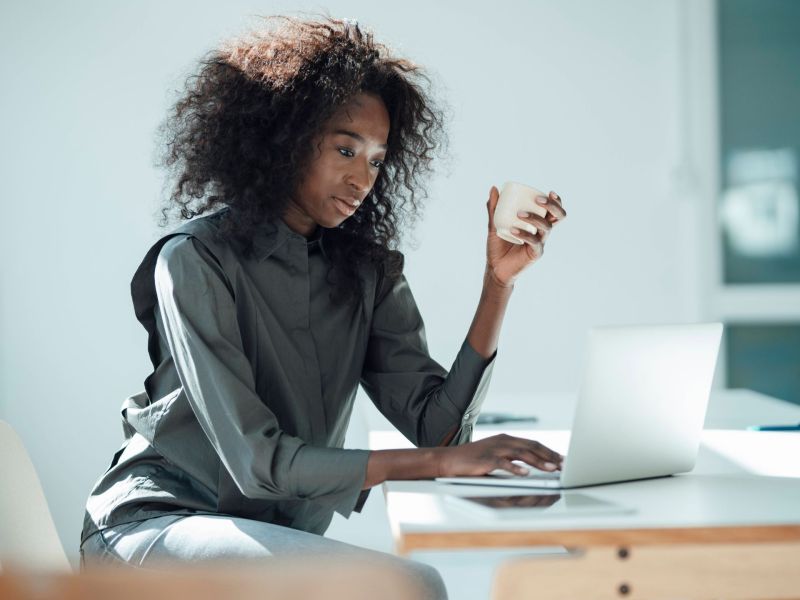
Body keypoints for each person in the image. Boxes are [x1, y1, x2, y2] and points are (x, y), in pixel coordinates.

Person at [79, 15, 567, 599]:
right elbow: (256, 461)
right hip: (160, 527)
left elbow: (439, 430)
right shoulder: (193, 261)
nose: (363, 177)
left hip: (270, 535)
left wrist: (497, 284)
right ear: (283, 138)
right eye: (345, 148)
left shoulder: (364, 272)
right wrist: (438, 464)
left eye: (379, 159)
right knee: (407, 586)